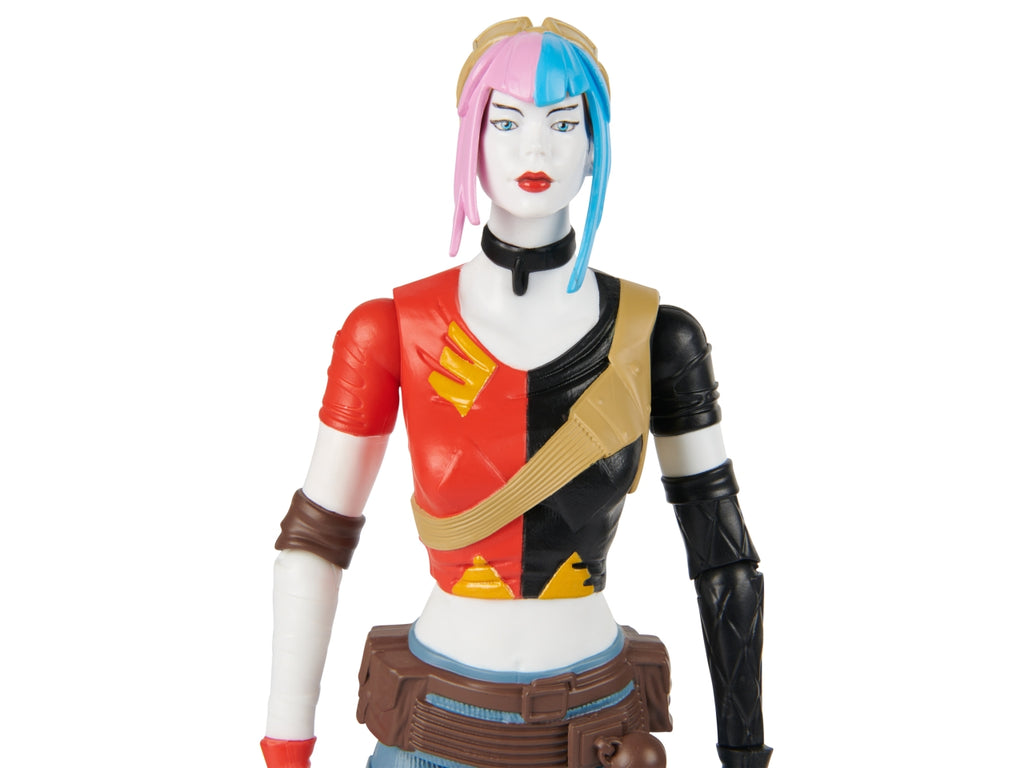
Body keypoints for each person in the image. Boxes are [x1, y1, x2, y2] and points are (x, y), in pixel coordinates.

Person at [261, 18, 771, 768]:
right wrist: (286, 746)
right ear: (471, 136)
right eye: (506, 121)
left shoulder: (657, 337)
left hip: (600, 724)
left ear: (594, 145)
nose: (537, 150)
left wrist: (744, 751)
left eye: (564, 123)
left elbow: (724, 559)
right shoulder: (392, 330)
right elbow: (314, 540)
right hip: (437, 727)